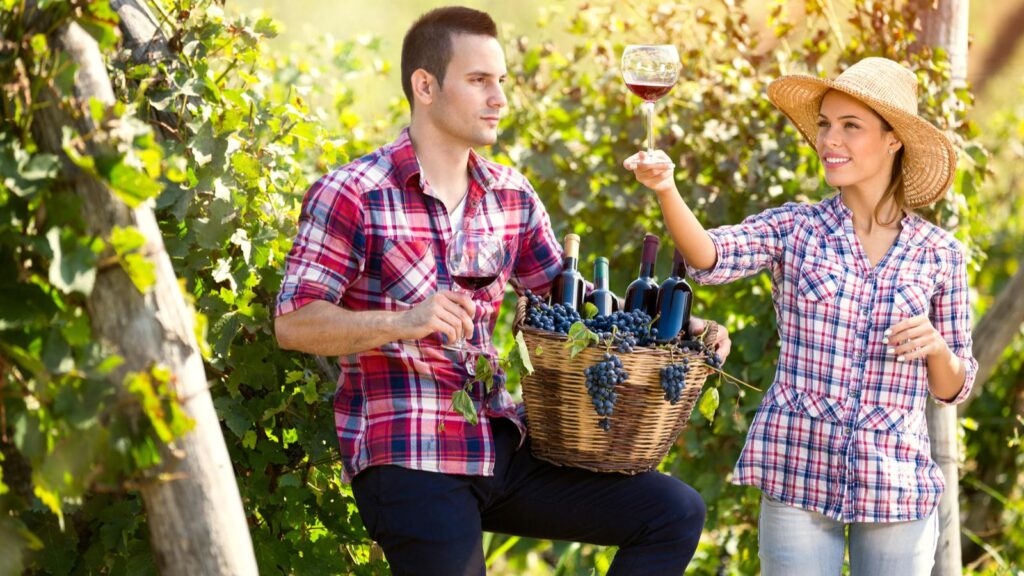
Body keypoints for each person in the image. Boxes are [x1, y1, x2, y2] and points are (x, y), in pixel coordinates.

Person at [274, 6, 731, 575]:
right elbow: (294, 322)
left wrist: (686, 331)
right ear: (425, 86)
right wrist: (403, 321)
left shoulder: (509, 195)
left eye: (502, 82)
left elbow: (582, 308)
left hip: (499, 440)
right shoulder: (353, 192)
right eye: (479, 80)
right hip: (410, 447)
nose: (499, 99)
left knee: (672, 512)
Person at [626, 57, 978, 575]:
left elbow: (954, 386)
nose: (829, 140)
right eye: (824, 125)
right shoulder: (797, 228)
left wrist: (937, 348)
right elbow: (710, 257)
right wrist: (666, 189)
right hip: (798, 468)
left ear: (893, 140)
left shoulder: (939, 254)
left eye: (850, 126)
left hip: (896, 481)